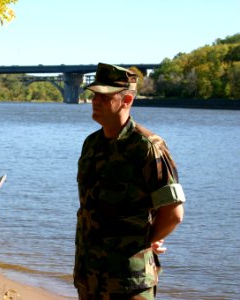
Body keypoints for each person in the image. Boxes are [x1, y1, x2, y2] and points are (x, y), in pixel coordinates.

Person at [74, 63, 185, 300]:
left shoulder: (148, 147)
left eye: (105, 96)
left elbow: (173, 213)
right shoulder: (91, 145)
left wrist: (146, 240)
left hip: (129, 282)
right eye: (94, 94)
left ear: (126, 101)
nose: (95, 101)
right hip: (90, 276)